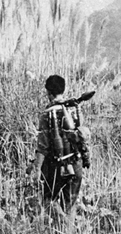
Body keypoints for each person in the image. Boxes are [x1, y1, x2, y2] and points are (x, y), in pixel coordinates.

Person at [27, 75, 84, 214]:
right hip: (76, 162)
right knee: (70, 204)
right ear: (63, 89)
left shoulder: (47, 114)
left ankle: (58, 227)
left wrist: (36, 169)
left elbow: (43, 147)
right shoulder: (73, 108)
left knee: (48, 201)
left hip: (57, 166)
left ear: (48, 92)